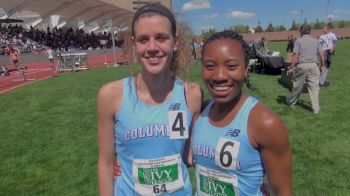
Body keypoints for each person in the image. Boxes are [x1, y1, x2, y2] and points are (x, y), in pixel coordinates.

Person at [97, 3, 202, 196]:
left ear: (175, 41)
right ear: (134, 43)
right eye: (143, 39)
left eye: (161, 38)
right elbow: (105, 163)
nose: (152, 47)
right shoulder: (111, 95)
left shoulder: (192, 94)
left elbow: (192, 156)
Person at [189, 30, 292, 196]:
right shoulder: (200, 113)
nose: (219, 76)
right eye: (210, 66)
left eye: (231, 66)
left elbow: (282, 192)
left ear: (246, 68)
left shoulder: (265, 123)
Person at [286, 23, 324, 114]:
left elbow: (295, 55)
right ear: (309, 31)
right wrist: (322, 66)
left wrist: (291, 66)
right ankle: (316, 108)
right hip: (314, 65)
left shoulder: (298, 41)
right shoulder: (316, 41)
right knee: (314, 88)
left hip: (302, 65)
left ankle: (291, 102)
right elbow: (322, 56)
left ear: (301, 31)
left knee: (297, 86)